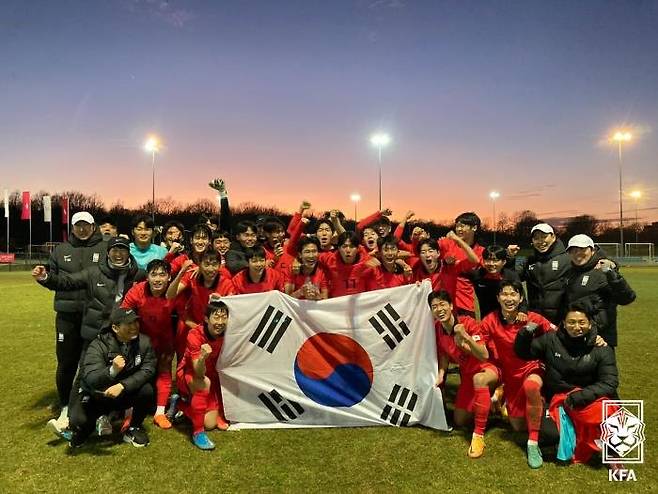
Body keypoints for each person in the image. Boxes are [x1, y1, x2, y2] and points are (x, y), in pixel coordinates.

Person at [515, 302, 618, 464]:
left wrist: (580, 396)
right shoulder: (550, 340)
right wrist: (524, 334)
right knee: (548, 435)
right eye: (571, 322)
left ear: (590, 323)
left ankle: (612, 456)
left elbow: (610, 382)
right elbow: (524, 353)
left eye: (582, 322)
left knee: (615, 423)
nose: (576, 327)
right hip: (557, 400)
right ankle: (575, 435)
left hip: (587, 399)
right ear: (563, 323)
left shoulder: (602, 347)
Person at [479, 280, 556, 468]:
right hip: (510, 376)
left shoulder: (533, 319)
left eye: (513, 294)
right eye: (504, 294)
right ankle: (503, 396)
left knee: (532, 386)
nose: (509, 298)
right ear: (498, 298)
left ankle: (532, 444)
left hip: (532, 368)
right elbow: (480, 347)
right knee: (517, 426)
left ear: (521, 298)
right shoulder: (490, 320)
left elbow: (559, 333)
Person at [42, 211, 107, 435]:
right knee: (67, 363)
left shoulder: (105, 247)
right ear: (72, 227)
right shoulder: (61, 250)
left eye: (85, 225)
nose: (81, 229)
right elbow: (53, 278)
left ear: (93, 226)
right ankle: (65, 405)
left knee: (95, 364)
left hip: (95, 316)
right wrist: (44, 277)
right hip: (67, 316)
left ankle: (98, 408)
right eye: (77, 225)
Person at [67, 307, 156, 448]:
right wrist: (112, 370)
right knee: (79, 419)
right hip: (98, 396)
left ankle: (133, 428)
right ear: (115, 327)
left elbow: (148, 369)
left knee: (147, 390)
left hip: (123, 393)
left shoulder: (144, 342)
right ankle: (86, 428)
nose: (134, 327)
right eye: (129, 324)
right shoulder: (98, 345)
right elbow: (91, 378)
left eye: (135, 322)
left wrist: (122, 385)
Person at [429, 290, 498, 459]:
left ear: (451, 306)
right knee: (460, 420)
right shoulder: (438, 328)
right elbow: (444, 354)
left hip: (486, 368)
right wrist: (441, 374)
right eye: (434, 306)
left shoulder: (468, 323)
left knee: (479, 379)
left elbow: (484, 355)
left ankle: (478, 436)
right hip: (467, 376)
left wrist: (465, 337)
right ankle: (495, 399)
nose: (439, 309)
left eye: (443, 304)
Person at [121, 259, 176, 429]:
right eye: (154, 274)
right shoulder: (137, 290)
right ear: (147, 276)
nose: (158, 279)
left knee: (164, 370)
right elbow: (124, 313)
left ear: (169, 277)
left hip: (165, 340)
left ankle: (160, 413)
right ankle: (128, 414)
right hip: (141, 341)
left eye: (162, 274)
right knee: (132, 373)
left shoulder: (175, 292)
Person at [175, 299, 230, 450]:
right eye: (216, 317)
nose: (220, 321)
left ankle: (180, 404)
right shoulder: (195, 335)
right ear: (206, 319)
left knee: (210, 424)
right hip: (188, 374)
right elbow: (198, 372)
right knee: (203, 382)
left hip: (212, 376)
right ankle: (198, 434)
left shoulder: (229, 333)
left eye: (224, 317)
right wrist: (202, 358)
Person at [564, 234, 636, 347]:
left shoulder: (603, 271)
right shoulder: (570, 273)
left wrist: (612, 273)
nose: (577, 253)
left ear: (593, 250)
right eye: (573, 250)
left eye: (582, 249)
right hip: (576, 335)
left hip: (601, 339)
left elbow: (627, 298)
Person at [167, 251, 235, 358]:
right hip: (192, 326)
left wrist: (223, 300)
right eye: (206, 264)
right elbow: (169, 295)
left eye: (214, 264)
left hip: (215, 331)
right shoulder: (192, 275)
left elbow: (233, 310)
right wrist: (181, 272)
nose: (210, 269)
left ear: (220, 266)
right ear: (199, 264)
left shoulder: (226, 283)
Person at [508, 223, 571, 324]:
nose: (541, 241)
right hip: (535, 317)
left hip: (560, 319)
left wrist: (602, 260)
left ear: (553, 237)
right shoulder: (527, 260)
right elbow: (513, 278)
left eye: (544, 237)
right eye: (536, 238)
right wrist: (510, 258)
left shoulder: (567, 259)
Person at [438, 212, 485, 317]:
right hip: (444, 302)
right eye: (457, 226)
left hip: (465, 304)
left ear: (474, 228)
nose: (458, 229)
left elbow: (475, 261)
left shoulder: (481, 251)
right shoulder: (447, 243)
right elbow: (426, 252)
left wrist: (457, 239)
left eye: (462, 226)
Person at [464, 245, 527, 319]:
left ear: (503, 262)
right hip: (487, 320)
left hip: (509, 318)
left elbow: (521, 295)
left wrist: (522, 311)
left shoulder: (511, 276)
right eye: (487, 260)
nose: (491, 264)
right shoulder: (477, 275)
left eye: (495, 260)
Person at [318, 231, 376, 298]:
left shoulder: (369, 263)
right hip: (337, 305)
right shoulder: (330, 259)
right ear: (339, 248)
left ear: (357, 249)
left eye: (351, 246)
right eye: (344, 246)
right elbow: (311, 255)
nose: (348, 250)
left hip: (360, 306)